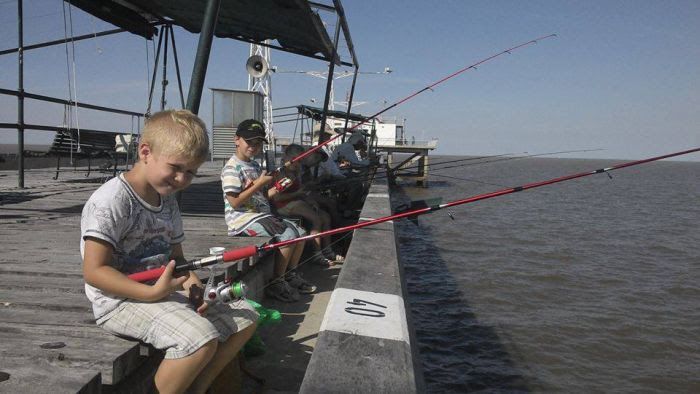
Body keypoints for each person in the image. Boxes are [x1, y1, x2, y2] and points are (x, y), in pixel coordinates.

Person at [81, 109, 258, 394]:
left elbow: (177, 259)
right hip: (119, 301)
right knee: (200, 338)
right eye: (175, 167)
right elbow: (94, 271)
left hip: (162, 291)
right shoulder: (112, 200)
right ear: (146, 152)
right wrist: (152, 293)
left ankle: (197, 387)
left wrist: (195, 287)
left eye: (190, 172)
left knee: (246, 317)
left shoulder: (167, 200)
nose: (181, 179)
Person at [221, 119, 316, 302]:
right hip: (242, 220)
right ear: (237, 140)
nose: (253, 146)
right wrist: (260, 184)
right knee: (287, 234)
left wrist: (279, 187)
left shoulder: (255, 166)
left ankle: (290, 275)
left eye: (257, 143)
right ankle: (276, 282)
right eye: (249, 142)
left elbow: (266, 195)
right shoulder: (232, 168)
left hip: (261, 215)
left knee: (302, 232)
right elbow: (234, 202)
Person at [272, 144, 344, 266]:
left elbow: (303, 193)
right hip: (284, 205)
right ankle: (317, 254)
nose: (297, 164)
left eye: (300, 161)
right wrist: (297, 194)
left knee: (325, 216)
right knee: (316, 219)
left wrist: (310, 201)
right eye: (294, 160)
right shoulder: (280, 174)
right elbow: (277, 198)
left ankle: (327, 250)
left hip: (296, 202)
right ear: (286, 157)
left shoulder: (296, 172)